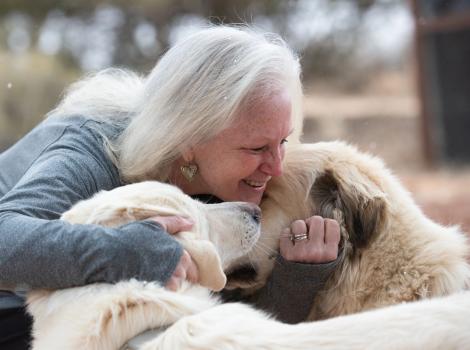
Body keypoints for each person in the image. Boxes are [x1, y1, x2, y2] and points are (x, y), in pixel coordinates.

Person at [0, 25, 340, 349]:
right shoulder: (94, 148)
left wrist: (297, 278)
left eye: (282, 141)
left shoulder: (224, 183)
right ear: (189, 138)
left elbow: (230, 337)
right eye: (255, 148)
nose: (276, 167)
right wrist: (126, 252)